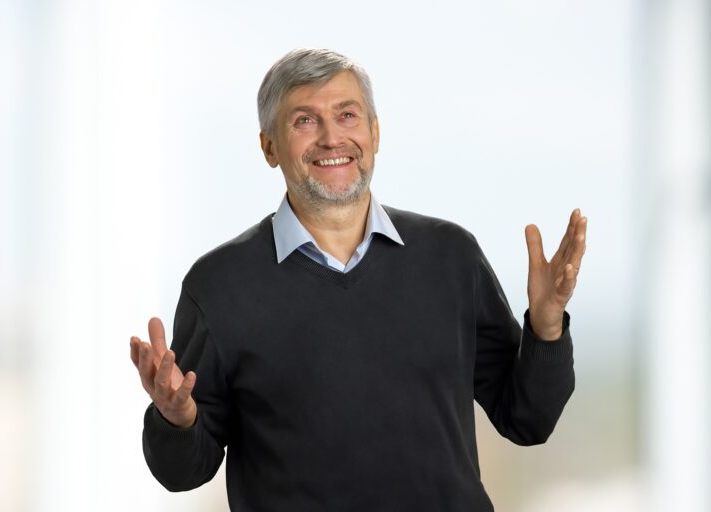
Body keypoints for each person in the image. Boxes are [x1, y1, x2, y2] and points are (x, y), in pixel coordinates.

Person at [129, 48, 587, 511]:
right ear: (269, 147)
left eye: (347, 115)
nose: (332, 138)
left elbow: (527, 419)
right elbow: (182, 473)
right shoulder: (219, 286)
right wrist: (177, 420)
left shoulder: (451, 258)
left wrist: (547, 327)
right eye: (304, 121)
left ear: (374, 132)